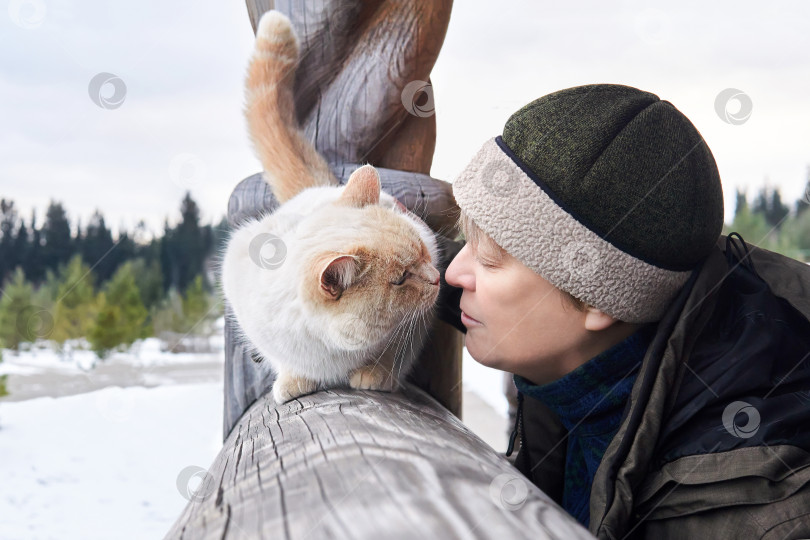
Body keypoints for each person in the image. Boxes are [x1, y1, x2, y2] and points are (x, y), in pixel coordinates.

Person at [440, 83, 810, 539]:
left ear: (598, 297)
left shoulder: (758, 516)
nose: (454, 272)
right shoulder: (585, 366)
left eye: (490, 258)